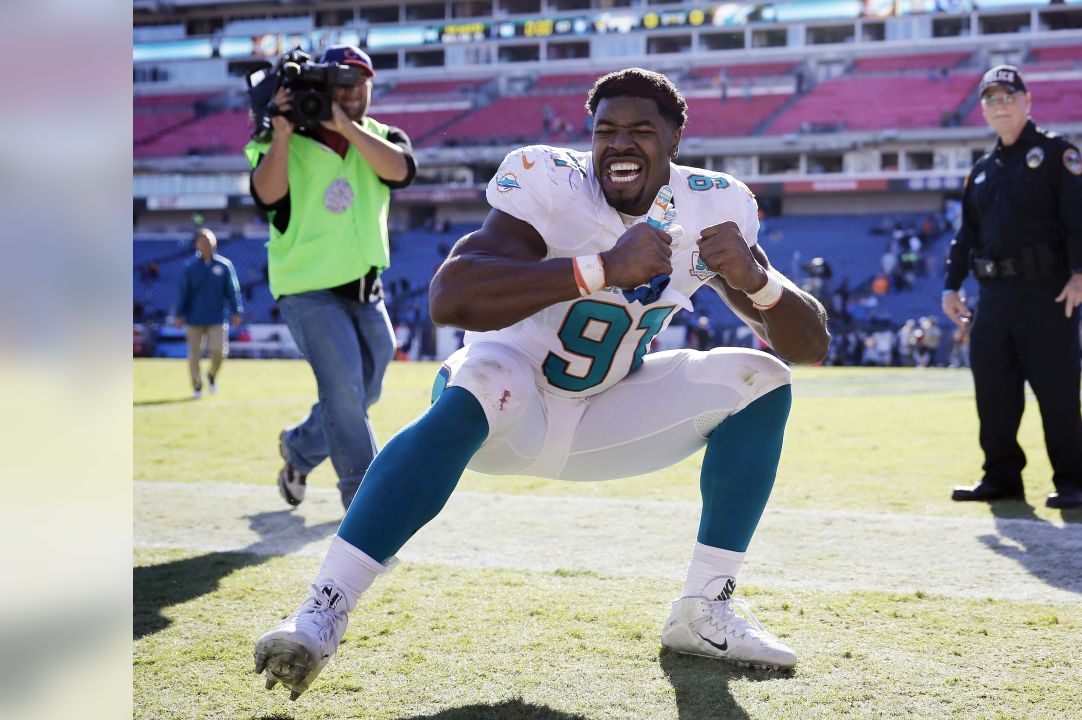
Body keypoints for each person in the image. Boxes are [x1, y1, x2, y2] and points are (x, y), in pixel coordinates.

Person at [253, 68, 830, 700]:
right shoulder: (551, 183)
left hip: (607, 414)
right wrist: (598, 269)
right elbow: (451, 297)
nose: (621, 144)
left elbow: (809, 346)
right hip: (507, 408)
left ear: (675, 139)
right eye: (606, 130)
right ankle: (322, 609)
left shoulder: (714, 204)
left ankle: (703, 608)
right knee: (489, 373)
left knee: (760, 377)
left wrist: (758, 283)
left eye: (642, 131)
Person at [244, 45, 417, 510]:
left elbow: (399, 171)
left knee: (368, 388)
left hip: (366, 289)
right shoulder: (283, 135)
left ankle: (299, 449)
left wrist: (347, 128)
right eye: (341, 82)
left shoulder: (382, 134)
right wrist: (281, 135)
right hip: (308, 288)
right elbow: (266, 195)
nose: (352, 90)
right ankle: (366, 502)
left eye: (361, 81)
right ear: (322, 86)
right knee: (343, 388)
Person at [942, 65, 1082, 510]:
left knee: (1056, 391)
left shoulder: (1055, 154)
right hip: (992, 298)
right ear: (983, 110)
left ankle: (1073, 481)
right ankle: (1001, 476)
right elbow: (965, 236)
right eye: (991, 98)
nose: (1000, 105)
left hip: (1047, 293)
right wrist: (951, 286)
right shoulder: (981, 171)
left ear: (1028, 102)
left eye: (1009, 96)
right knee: (993, 392)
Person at [174, 228, 243, 398]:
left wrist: (237, 311)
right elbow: (182, 292)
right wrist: (178, 314)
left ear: (215, 243)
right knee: (194, 354)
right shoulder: (189, 268)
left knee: (219, 351)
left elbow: (232, 290)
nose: (207, 244)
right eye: (203, 241)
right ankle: (197, 385)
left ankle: (211, 375)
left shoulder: (224, 265)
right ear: (197, 244)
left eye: (210, 240)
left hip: (217, 317)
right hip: (194, 318)